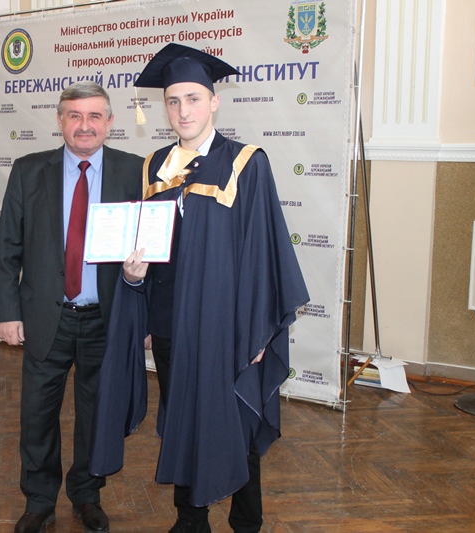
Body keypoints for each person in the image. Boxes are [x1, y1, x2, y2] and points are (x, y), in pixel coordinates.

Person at [92, 44, 310, 533]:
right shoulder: (155, 168)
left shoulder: (245, 163)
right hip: (171, 322)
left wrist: (258, 332)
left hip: (227, 325)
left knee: (236, 419)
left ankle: (246, 522)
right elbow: (149, 250)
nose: (183, 110)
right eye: (173, 101)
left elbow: (262, 251)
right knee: (183, 417)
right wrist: (135, 280)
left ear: (214, 102)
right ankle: (191, 520)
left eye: (193, 99)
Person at [0, 81, 143, 533]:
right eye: (74, 116)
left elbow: (152, 250)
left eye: (94, 116)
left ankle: (87, 495)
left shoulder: (134, 171)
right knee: (37, 416)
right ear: (60, 120)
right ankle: (39, 502)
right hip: (45, 317)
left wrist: (145, 319)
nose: (84, 125)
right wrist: (7, 311)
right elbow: (7, 247)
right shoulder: (28, 170)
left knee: (96, 416)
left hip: (106, 319)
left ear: (110, 122)